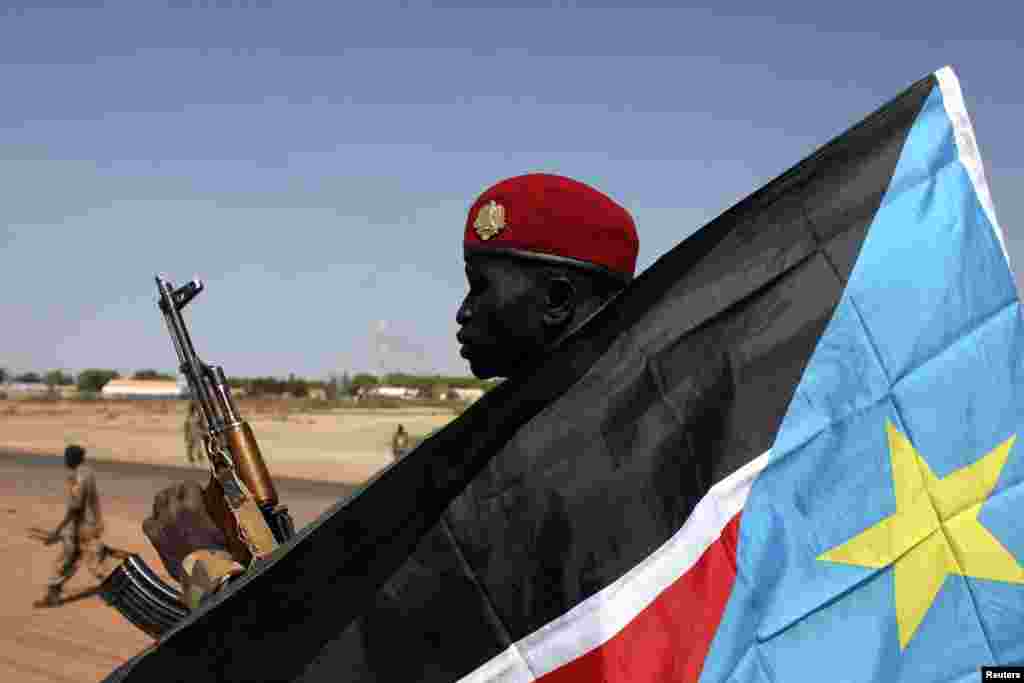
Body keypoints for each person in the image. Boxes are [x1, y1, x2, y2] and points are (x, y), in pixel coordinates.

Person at [141, 172, 639, 610]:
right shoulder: (617, 428)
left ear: (556, 299)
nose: (463, 312)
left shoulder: (532, 474)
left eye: (480, 286)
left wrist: (204, 564)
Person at [35, 444, 119, 607]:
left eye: (67, 457)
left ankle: (120, 592)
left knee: (84, 562)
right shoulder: (88, 473)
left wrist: (58, 531)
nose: (65, 460)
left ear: (73, 458)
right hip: (91, 524)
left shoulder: (77, 477)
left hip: (82, 527)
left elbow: (75, 507)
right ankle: (53, 593)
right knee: (78, 560)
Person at [184, 401, 205, 466]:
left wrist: (203, 432)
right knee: (191, 448)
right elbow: (186, 426)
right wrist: (186, 436)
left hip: (197, 433)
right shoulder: (189, 416)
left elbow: (202, 424)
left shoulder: (198, 416)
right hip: (191, 434)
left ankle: (200, 460)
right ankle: (192, 461)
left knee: (198, 448)